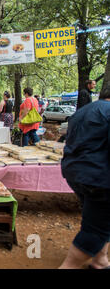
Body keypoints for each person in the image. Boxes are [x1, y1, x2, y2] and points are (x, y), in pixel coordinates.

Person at [59, 88, 110, 269]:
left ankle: (100, 259)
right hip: (99, 177)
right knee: (97, 227)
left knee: (98, 218)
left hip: (75, 172)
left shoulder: (84, 110)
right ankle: (69, 266)